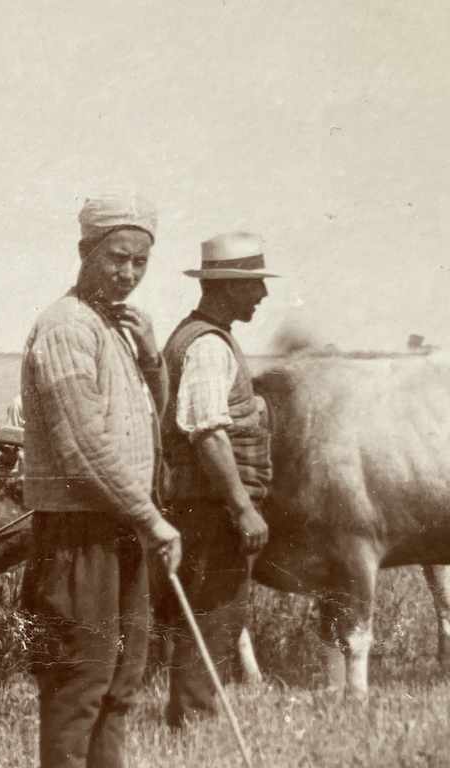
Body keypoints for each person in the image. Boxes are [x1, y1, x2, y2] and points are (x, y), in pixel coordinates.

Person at [20, 192, 182, 768]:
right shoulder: (66, 328)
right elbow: (84, 448)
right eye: (117, 257)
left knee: (119, 686)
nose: (129, 273)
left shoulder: (114, 328)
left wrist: (151, 360)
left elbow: (148, 427)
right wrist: (152, 519)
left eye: (140, 262)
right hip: (79, 536)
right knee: (79, 686)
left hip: (122, 528)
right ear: (85, 250)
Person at [160, 231, 277, 728]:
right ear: (227, 287)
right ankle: (193, 721)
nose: (263, 295)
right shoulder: (208, 346)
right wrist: (242, 507)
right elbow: (207, 433)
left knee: (211, 612)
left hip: (201, 503)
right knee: (213, 612)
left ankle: (189, 714)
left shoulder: (202, 337)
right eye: (254, 285)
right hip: (209, 506)